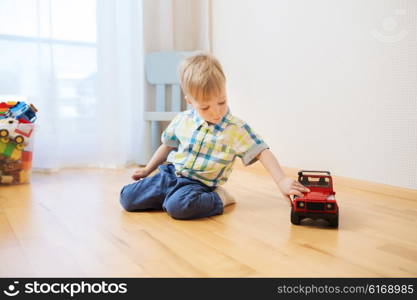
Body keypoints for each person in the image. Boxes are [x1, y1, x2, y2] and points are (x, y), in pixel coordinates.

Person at [119, 53, 309, 220]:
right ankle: (168, 196)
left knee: (178, 208)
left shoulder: (235, 128)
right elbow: (167, 146)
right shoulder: (182, 120)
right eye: (205, 107)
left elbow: (262, 152)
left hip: (198, 185)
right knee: (126, 197)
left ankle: (219, 198)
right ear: (190, 102)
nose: (216, 111)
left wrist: (282, 180)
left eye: (221, 102)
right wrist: (147, 170)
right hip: (169, 174)